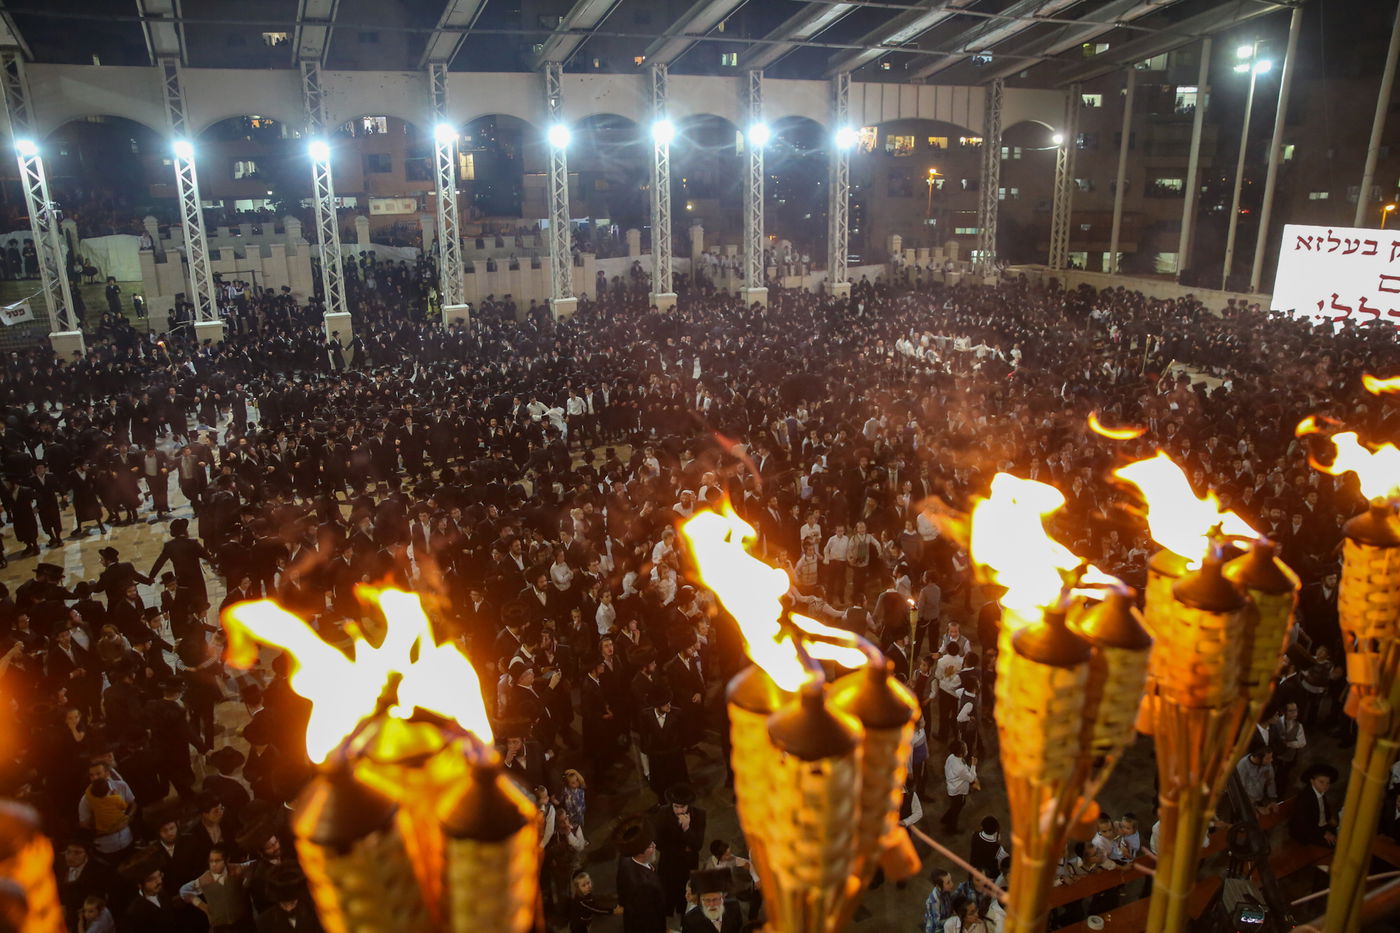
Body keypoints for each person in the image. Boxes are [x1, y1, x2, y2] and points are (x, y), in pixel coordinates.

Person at [655, 782, 707, 917]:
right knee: (668, 890)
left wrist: (687, 829)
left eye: (682, 807)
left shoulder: (699, 815)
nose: (679, 811)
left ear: (688, 805)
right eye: (676, 807)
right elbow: (658, 843)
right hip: (669, 862)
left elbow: (698, 845)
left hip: (688, 864)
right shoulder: (663, 813)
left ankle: (684, 913)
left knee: (686, 892)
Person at [614, 815, 665, 933]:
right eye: (650, 846)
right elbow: (649, 917)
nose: (655, 846)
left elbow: (620, 885)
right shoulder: (644, 885)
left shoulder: (625, 858)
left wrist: (622, 904)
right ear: (641, 853)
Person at [1290, 763, 1340, 847]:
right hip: (1308, 831)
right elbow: (1303, 822)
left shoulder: (1321, 793)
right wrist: (1323, 833)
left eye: (1328, 783)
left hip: (1321, 826)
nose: (1325, 786)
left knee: (1345, 835)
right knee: (1336, 844)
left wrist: (1330, 819)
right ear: (1312, 781)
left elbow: (1325, 810)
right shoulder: (1305, 797)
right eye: (1321, 782)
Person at [942, 741, 978, 835]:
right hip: (958, 791)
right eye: (966, 748)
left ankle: (945, 818)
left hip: (952, 787)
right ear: (962, 753)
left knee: (954, 806)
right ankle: (951, 829)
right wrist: (973, 765)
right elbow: (971, 778)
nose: (967, 750)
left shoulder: (951, 757)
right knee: (957, 808)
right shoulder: (960, 768)